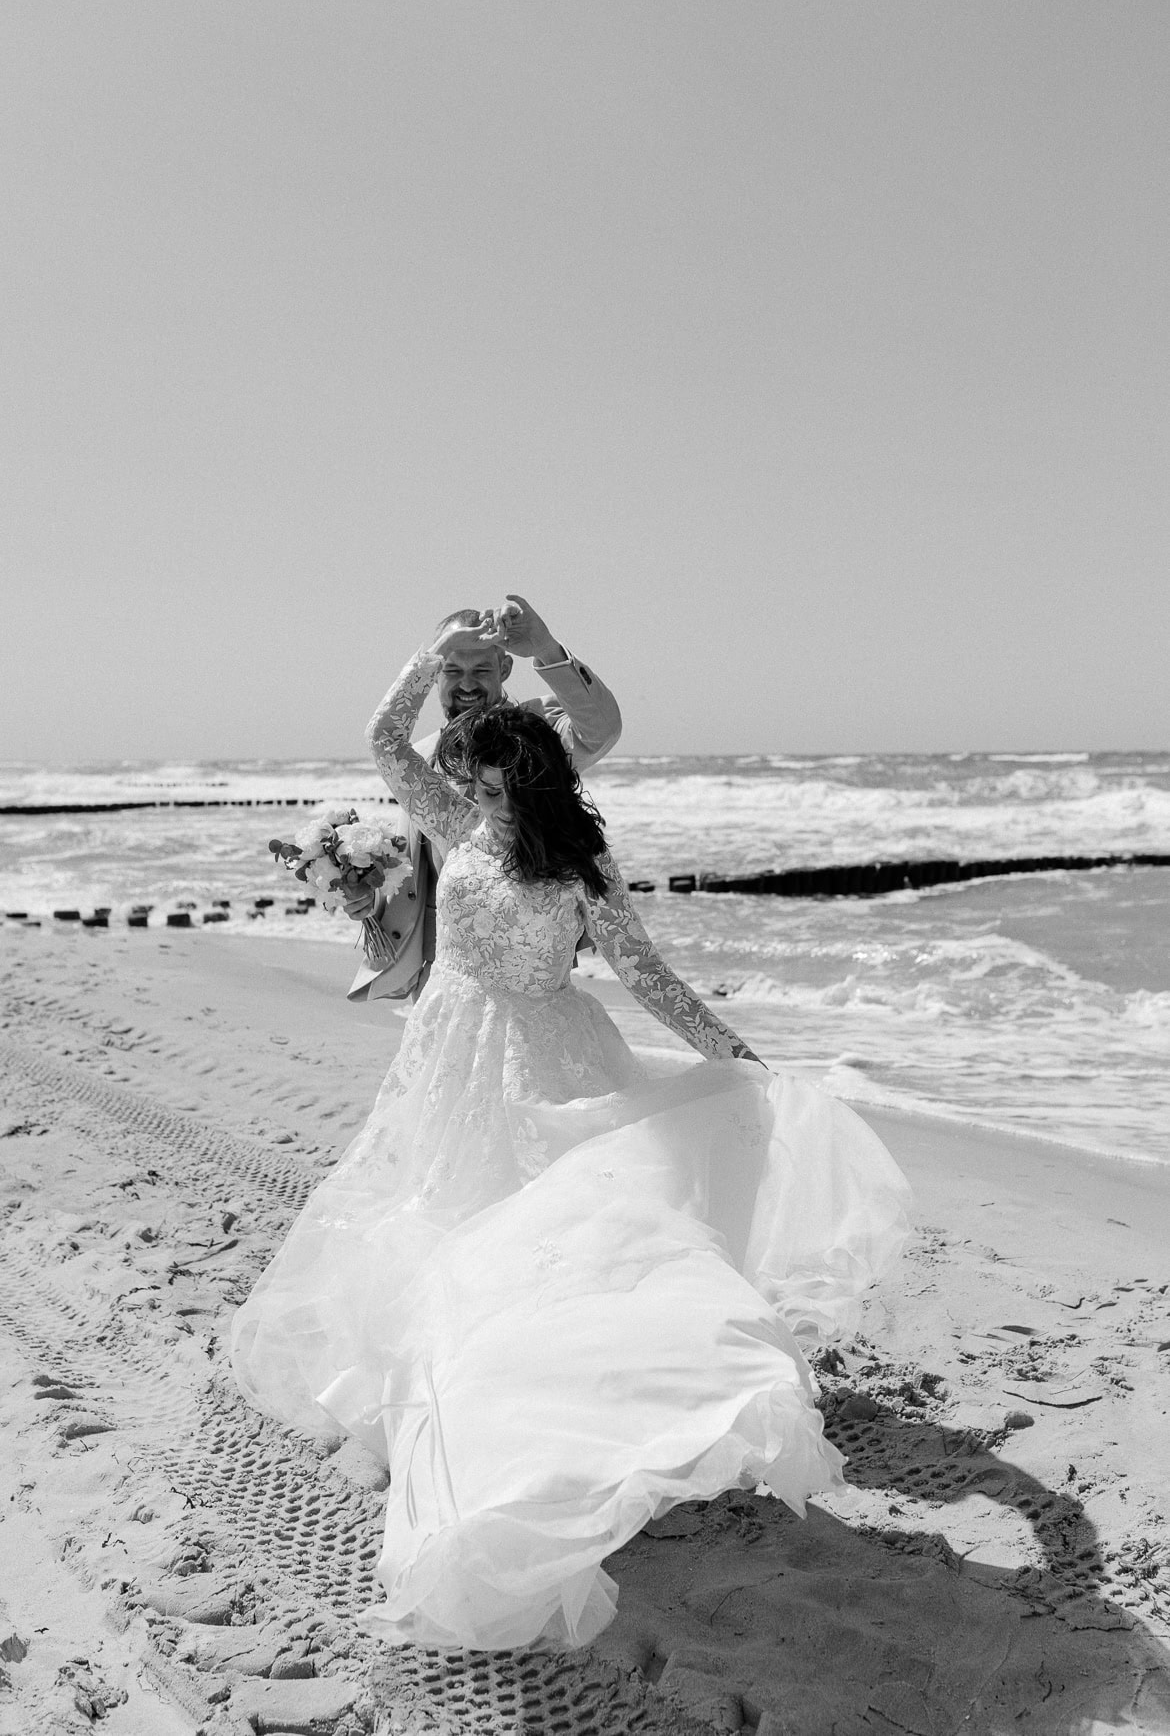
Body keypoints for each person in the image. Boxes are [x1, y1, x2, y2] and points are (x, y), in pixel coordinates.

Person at [230, 622, 911, 1653]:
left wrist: (730, 1049)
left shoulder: (584, 865)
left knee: (565, 1240)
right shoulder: (459, 828)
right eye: (474, 779)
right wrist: (432, 653)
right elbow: (382, 740)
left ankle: (566, 1414)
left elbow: (645, 974)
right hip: (449, 1048)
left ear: (537, 778)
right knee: (444, 1219)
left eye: (498, 781)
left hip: (550, 1051)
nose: (481, 795)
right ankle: (462, 1407)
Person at [346, 593, 621, 1002]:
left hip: (525, 973)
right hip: (439, 975)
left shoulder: (539, 733)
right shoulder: (419, 755)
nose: (467, 684)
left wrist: (545, 649)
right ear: (435, 673)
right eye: (452, 669)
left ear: (505, 667)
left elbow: (601, 730)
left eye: (481, 668)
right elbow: (420, 870)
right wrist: (370, 900)